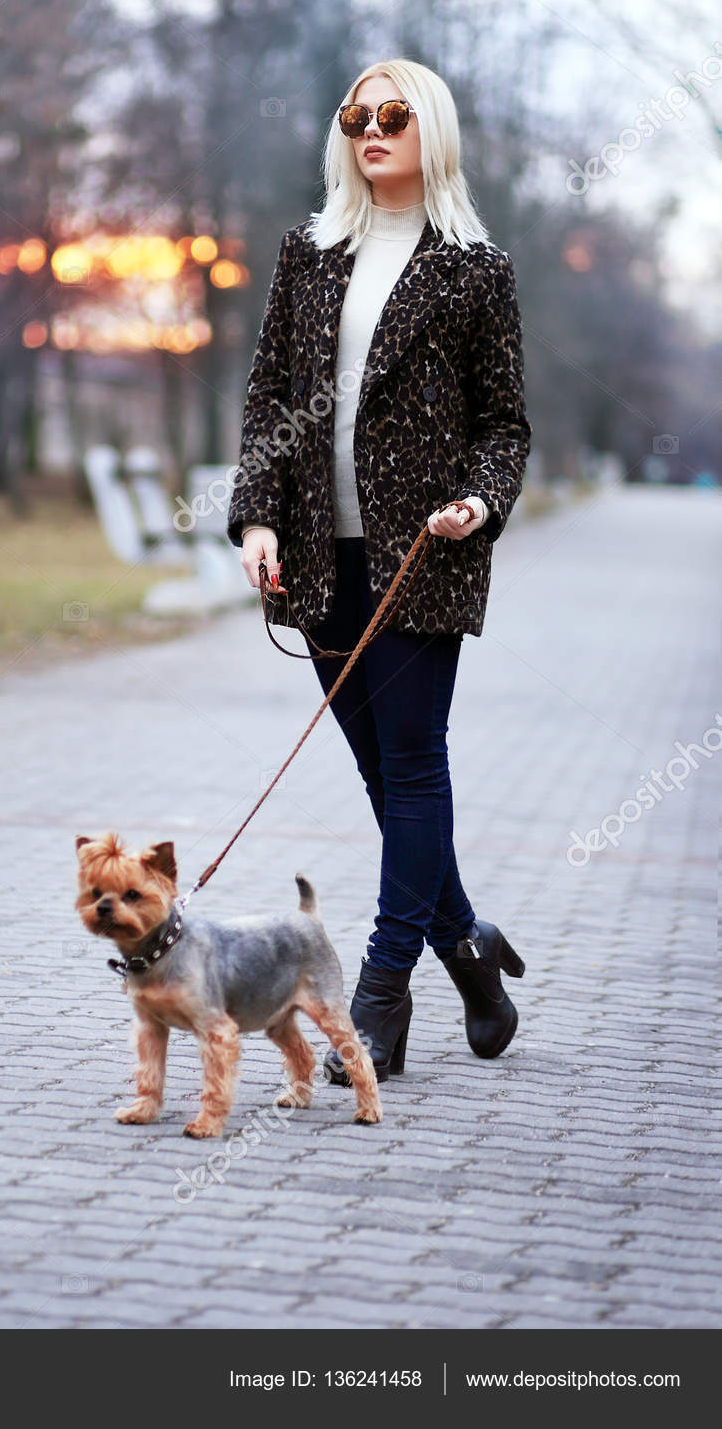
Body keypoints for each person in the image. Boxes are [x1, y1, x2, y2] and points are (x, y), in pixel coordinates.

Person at [226, 57, 532, 1084]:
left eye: (391, 116)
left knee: (410, 764)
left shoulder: (473, 268)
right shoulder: (307, 252)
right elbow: (269, 397)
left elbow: (503, 424)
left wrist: (480, 503)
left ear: (427, 130)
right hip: (316, 552)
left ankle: (381, 984)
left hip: (422, 556)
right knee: (377, 770)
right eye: (355, 115)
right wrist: (255, 516)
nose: (370, 130)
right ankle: (470, 956)